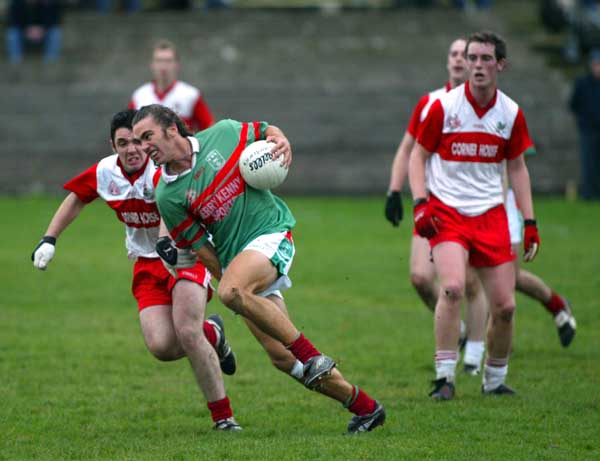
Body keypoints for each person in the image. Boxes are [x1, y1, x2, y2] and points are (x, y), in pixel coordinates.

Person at [132, 104, 386, 434]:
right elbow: (203, 251)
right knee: (282, 358)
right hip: (239, 264)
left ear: (171, 129)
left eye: (147, 136)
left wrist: (282, 141)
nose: (142, 146)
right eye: (137, 140)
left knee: (232, 293)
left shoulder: (222, 134)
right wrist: (231, 281)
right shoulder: (167, 194)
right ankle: (365, 408)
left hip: (271, 234)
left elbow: (266, 130)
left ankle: (311, 355)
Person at [31, 110, 240, 431]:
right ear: (112, 145)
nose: (132, 149)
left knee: (187, 331)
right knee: (161, 347)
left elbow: (173, 209)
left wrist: (165, 242)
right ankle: (214, 333)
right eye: (122, 143)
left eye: (138, 142)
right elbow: (77, 198)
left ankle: (223, 418)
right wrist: (49, 239)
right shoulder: (105, 171)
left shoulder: (162, 170)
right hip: (145, 264)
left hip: (185, 254)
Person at [409, 31, 540, 400]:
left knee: (507, 306)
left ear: (500, 65)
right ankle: (445, 378)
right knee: (451, 288)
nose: (478, 66)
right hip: (447, 212)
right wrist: (421, 204)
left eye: (486, 59)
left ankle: (494, 381)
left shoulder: (510, 113)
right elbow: (418, 157)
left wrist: (529, 222)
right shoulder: (444, 107)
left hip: (492, 215)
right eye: (473, 58)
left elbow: (517, 169)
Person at [385, 37, 488, 375]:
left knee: (468, 282)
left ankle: (474, 356)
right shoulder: (431, 103)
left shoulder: (489, 106)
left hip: (471, 207)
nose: (459, 60)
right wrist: (394, 190)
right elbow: (407, 150)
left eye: (465, 55)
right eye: (454, 54)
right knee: (419, 277)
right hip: (430, 203)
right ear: (448, 61)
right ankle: (454, 328)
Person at [505, 148, 577, 347]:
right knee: (503, 278)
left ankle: (499, 352)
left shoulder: (506, 117)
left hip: (503, 205)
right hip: (468, 205)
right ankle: (557, 306)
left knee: (505, 279)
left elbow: (520, 157)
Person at [129, 40, 214, 133]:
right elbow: (128, 131)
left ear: (177, 65)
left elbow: (211, 129)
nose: (163, 66)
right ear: (152, 64)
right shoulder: (139, 96)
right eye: (159, 61)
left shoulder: (191, 95)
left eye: (168, 61)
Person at [569, 49, 600, 200]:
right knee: (589, 161)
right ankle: (589, 193)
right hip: (588, 129)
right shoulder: (582, 83)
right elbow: (574, 104)